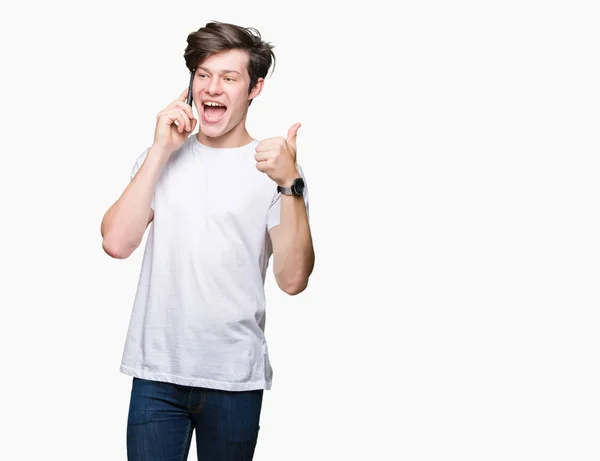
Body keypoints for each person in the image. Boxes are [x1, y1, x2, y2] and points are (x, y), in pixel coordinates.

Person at [100, 21, 314, 461]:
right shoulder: (159, 158)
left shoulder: (277, 172)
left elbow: (293, 279)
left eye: (229, 78)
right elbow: (117, 243)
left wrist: (290, 183)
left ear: (254, 88)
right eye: (203, 74)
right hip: (156, 374)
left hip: (234, 378)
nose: (212, 88)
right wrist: (160, 150)